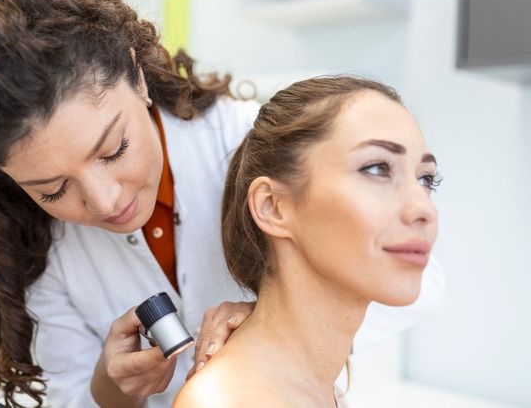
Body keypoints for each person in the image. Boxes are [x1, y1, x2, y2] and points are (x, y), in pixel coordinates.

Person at [0, 0, 445, 407]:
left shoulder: (254, 145)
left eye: (114, 150)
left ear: (134, 75)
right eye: (54, 189)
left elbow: (417, 275)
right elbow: (73, 399)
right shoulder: (48, 252)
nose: (104, 202)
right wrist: (112, 385)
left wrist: (274, 319)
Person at [173, 76, 441, 407]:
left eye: (426, 179)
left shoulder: (320, 391)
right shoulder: (233, 400)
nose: (424, 208)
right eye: (376, 169)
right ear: (272, 205)